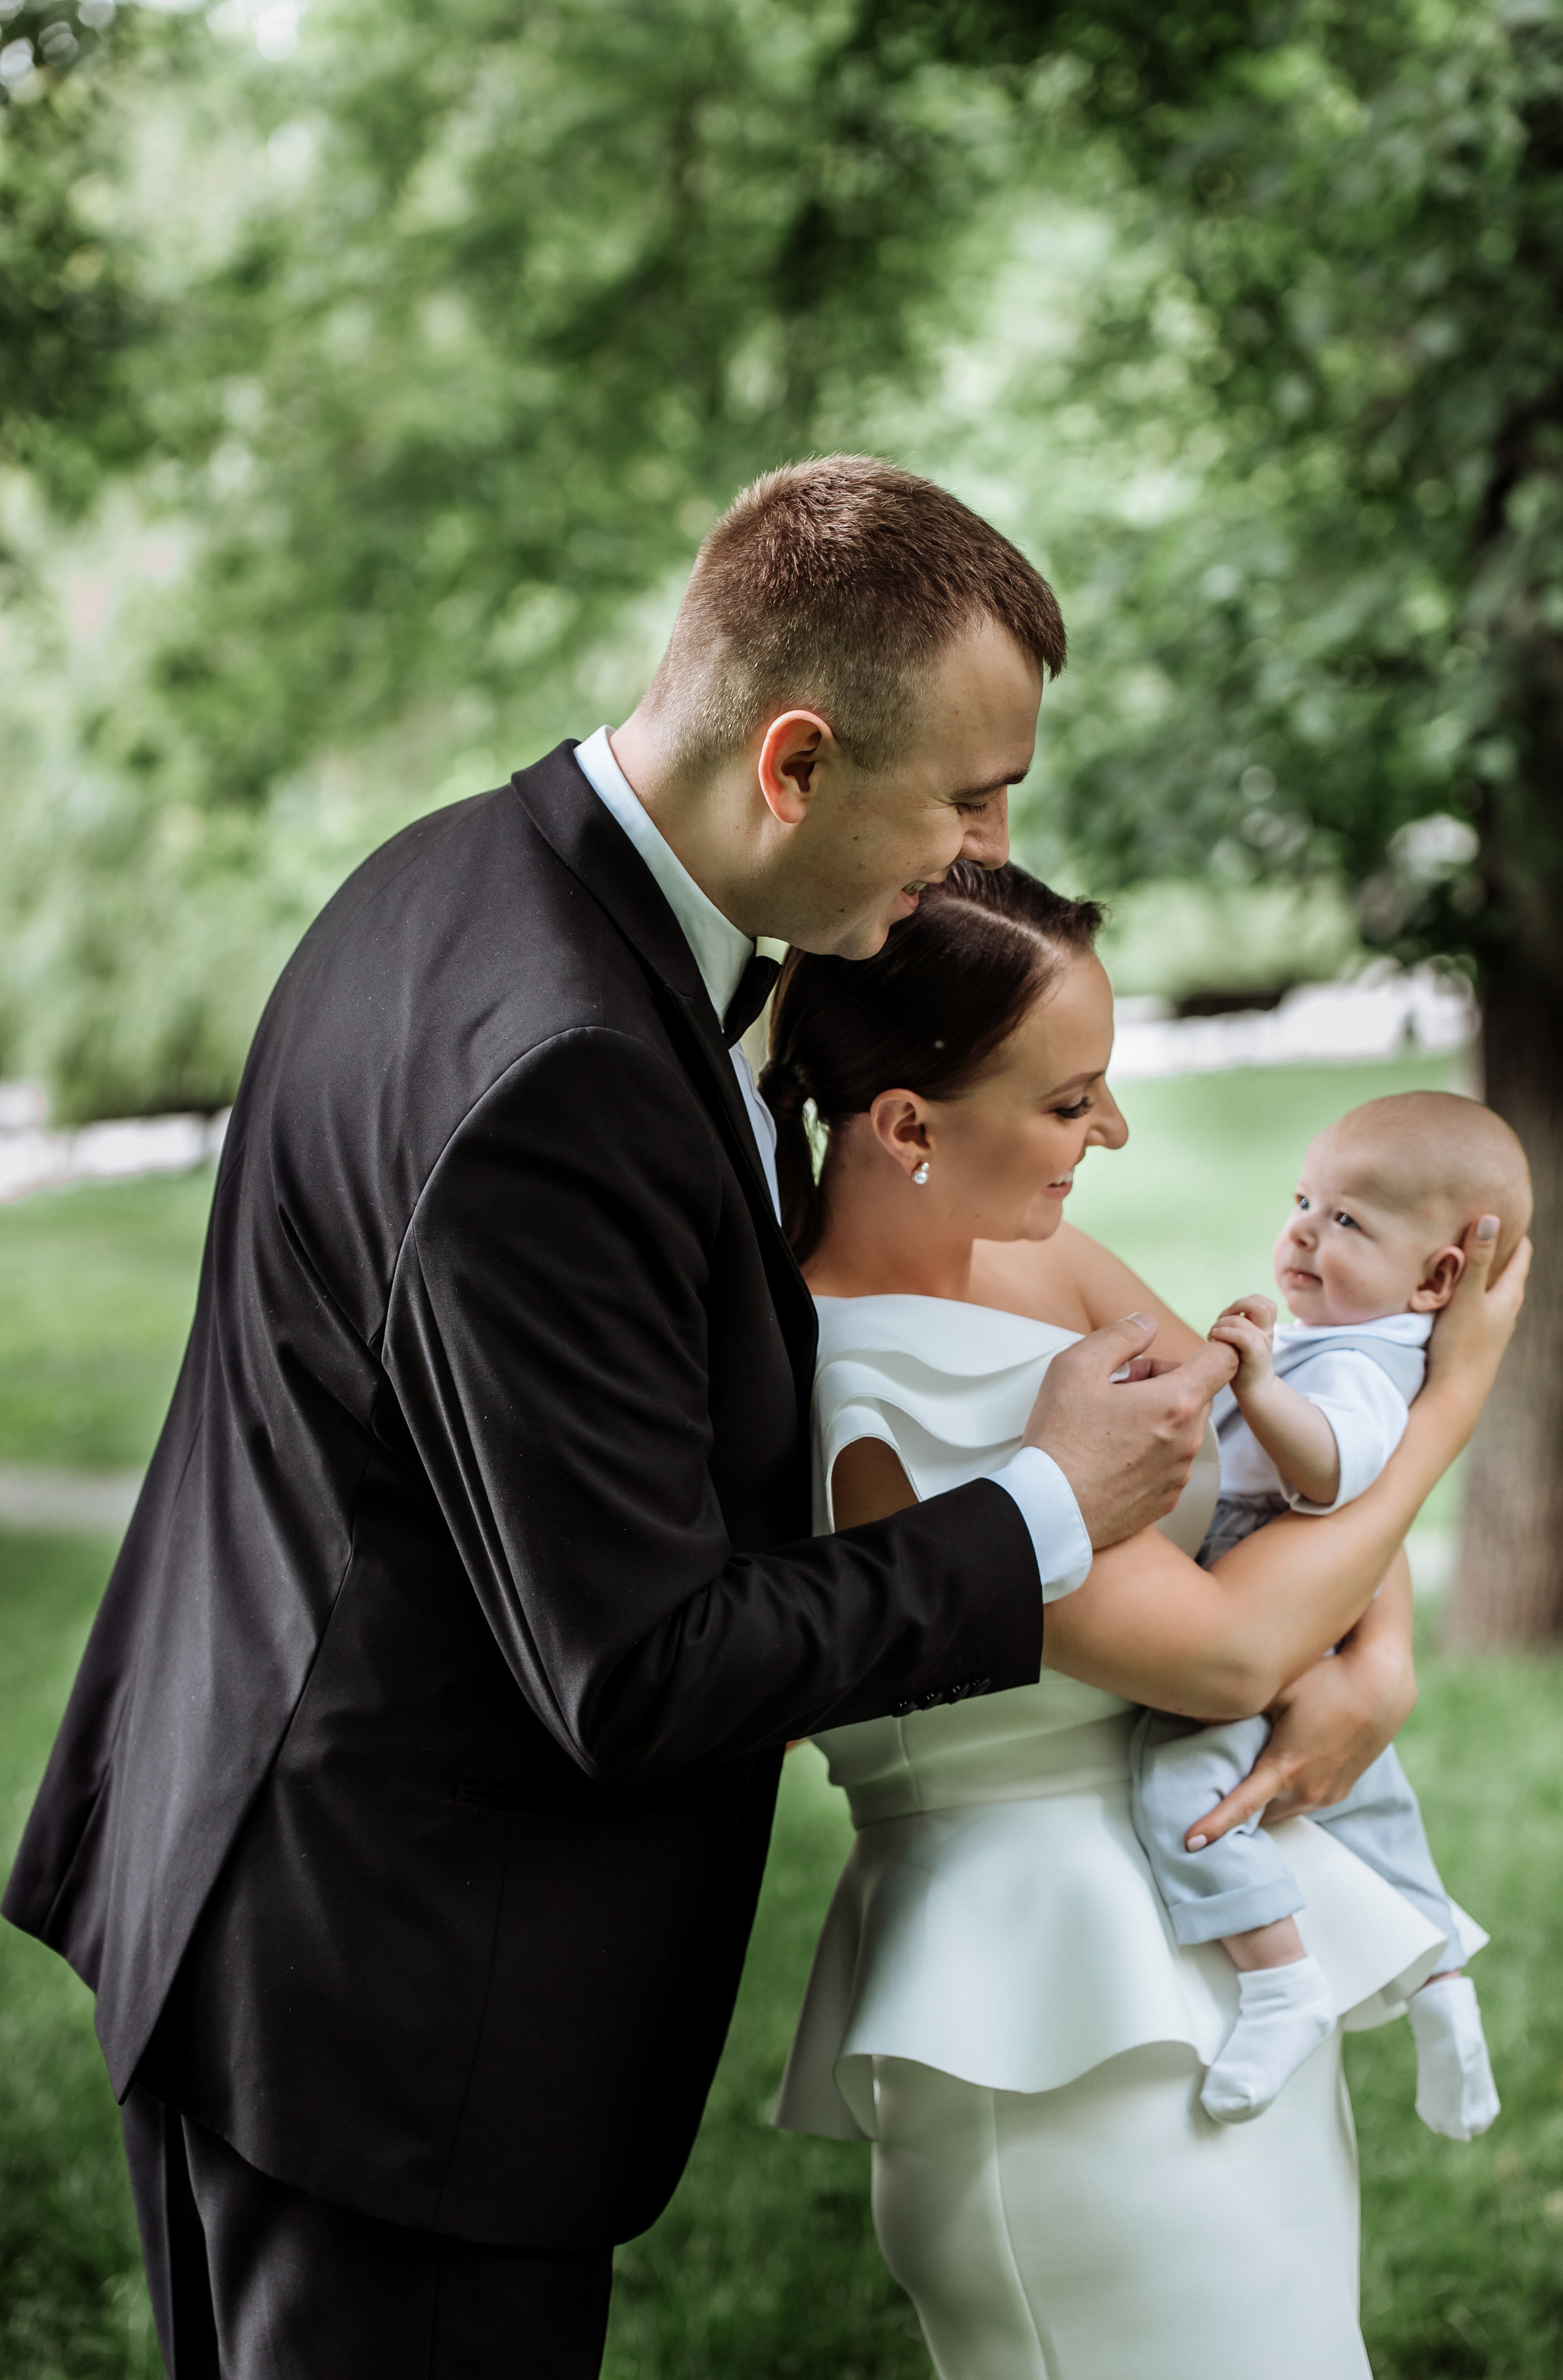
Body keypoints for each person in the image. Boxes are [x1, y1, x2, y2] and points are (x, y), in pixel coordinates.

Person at [2, 457, 1251, 2380]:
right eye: (969, 798)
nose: (995, 847)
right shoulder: (557, 1069)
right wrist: (1042, 1511)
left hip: (301, 1893)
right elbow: (643, 1666)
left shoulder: (476, 867)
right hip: (388, 2008)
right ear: (795, 762)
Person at [767, 863, 1528, 2380]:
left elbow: (1297, 1464)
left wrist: (1373, 1670)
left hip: (1204, 1961)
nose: (1108, 1131)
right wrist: (1454, 1398)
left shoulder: (1034, 1259)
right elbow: (1233, 1645)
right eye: (1068, 1103)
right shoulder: (877, 1408)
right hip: (1055, 2019)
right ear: (907, 1128)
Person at [1132, 1091, 1530, 2130]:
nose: (1304, 1230)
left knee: (1184, 1786)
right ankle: (1443, 1988)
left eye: (1348, 1221)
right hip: (1316, 1591)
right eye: (1304, 1200)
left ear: (1439, 1276)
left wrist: (1260, 1385)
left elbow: (1335, 1471)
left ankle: (1280, 1985)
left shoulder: (1358, 1363)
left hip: (1280, 1584)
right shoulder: (1354, 1339)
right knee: (1371, 1809)